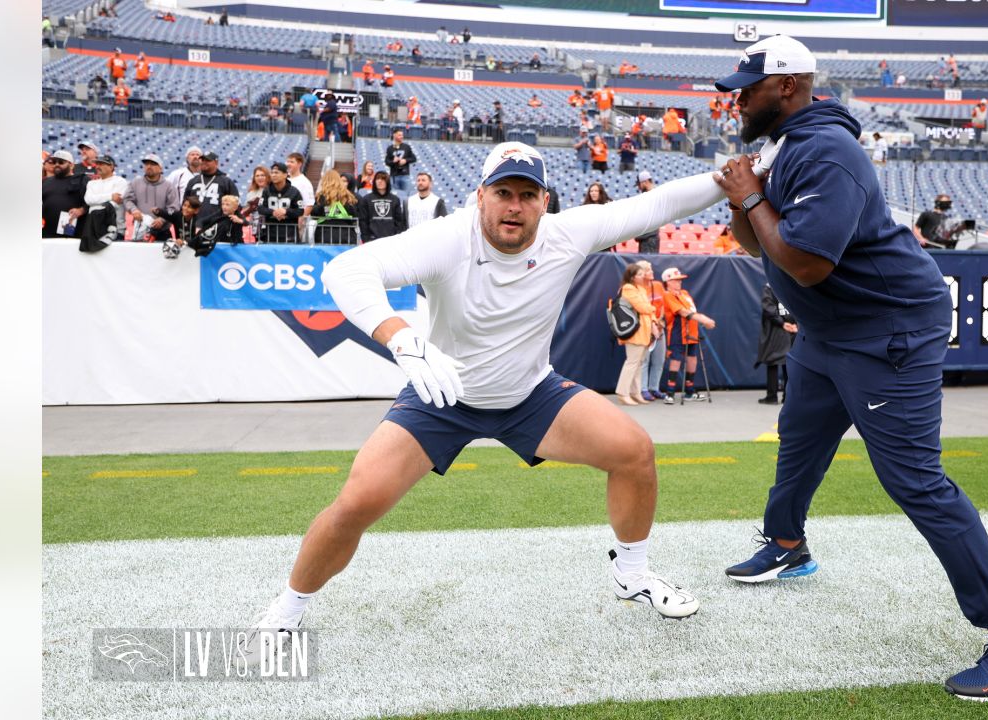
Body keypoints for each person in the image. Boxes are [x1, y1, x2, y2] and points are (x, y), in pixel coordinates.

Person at [238, 142, 725, 664]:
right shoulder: (451, 236)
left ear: (544, 202)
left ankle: (632, 576)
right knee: (357, 502)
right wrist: (402, 337)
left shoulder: (567, 232)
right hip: (443, 396)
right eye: (503, 193)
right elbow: (345, 271)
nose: (513, 206)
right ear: (481, 196)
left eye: (527, 195)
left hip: (528, 393)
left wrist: (734, 177)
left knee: (634, 450)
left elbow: (657, 206)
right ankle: (286, 610)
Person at [711, 34, 988, 702]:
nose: (733, 98)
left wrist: (753, 196)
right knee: (801, 437)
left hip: (886, 329)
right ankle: (787, 543)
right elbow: (752, 236)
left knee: (915, 482)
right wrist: (744, 200)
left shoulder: (826, 151)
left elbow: (809, 261)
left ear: (785, 87)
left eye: (744, 87)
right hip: (830, 328)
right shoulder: (788, 144)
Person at [660, 268, 714, 403]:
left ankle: (689, 392)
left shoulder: (685, 293)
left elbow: (691, 310)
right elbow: (682, 312)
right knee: (676, 360)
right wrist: (703, 319)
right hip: (678, 332)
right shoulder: (667, 295)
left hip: (692, 331)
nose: (679, 282)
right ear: (668, 282)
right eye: (675, 280)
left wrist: (700, 318)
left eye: (680, 280)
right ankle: (670, 393)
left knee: (692, 359)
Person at [613, 263, 657, 406]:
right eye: (639, 274)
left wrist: (651, 312)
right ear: (631, 277)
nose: (642, 276)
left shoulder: (641, 289)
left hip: (644, 332)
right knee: (632, 363)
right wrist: (653, 308)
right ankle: (622, 393)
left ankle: (635, 393)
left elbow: (646, 309)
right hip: (634, 332)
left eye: (642, 273)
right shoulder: (628, 288)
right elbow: (643, 307)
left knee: (638, 365)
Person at [123, 153, 180, 243]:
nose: (149, 166)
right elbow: (127, 200)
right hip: (140, 229)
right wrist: (134, 210)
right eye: (146, 164)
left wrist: (162, 219)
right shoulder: (135, 182)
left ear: (160, 168)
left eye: (153, 164)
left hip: (162, 231)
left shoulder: (169, 186)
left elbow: (174, 207)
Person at [756, 284, 796, 405]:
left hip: (777, 329)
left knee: (773, 361)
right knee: (787, 362)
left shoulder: (770, 286)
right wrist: (795, 324)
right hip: (791, 328)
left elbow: (768, 308)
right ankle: (787, 397)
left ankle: (772, 396)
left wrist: (783, 323)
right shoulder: (792, 284)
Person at [79, 155, 127, 252]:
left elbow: (115, 203)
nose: (97, 166)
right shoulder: (91, 183)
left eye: (101, 164)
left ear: (111, 167)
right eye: (97, 164)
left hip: (115, 229)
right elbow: (88, 200)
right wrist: (110, 196)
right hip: (93, 229)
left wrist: (98, 200)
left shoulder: (121, 181)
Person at [635, 259, 667, 402]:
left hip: (659, 328)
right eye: (648, 270)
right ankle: (643, 389)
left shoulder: (658, 285)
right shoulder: (636, 289)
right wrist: (651, 324)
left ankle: (654, 388)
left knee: (659, 360)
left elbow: (662, 306)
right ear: (641, 273)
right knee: (644, 361)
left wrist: (660, 322)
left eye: (651, 269)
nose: (652, 272)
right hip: (644, 329)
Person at [183, 151, 238, 225]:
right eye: (202, 160)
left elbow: (235, 204)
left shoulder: (226, 182)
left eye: (208, 160)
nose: (204, 162)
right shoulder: (193, 181)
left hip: (217, 225)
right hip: (193, 224)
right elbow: (185, 202)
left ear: (216, 163)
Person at [42, 150, 86, 238]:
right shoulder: (45, 181)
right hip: (46, 232)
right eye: (54, 162)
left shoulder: (82, 180)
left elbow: (91, 202)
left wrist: (81, 210)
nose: (57, 164)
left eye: (61, 162)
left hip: (71, 231)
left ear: (71, 165)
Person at [310, 169, 360, 245]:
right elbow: (354, 215)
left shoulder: (321, 196)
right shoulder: (348, 196)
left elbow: (314, 214)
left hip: (324, 234)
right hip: (346, 234)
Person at [259, 162, 304, 242]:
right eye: (272, 173)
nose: (273, 175)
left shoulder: (294, 191)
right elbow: (260, 208)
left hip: (290, 233)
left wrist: (286, 211)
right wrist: (273, 212)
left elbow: (300, 211)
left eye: (276, 172)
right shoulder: (266, 191)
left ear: (285, 175)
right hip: (270, 233)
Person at [358, 170, 406, 242]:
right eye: (377, 179)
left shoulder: (395, 199)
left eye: (383, 179)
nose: (380, 181)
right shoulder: (366, 199)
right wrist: (366, 238)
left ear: (387, 182)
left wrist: (396, 237)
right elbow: (363, 221)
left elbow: (399, 221)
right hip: (372, 239)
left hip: (391, 240)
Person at [633, 171, 659, 254]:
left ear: (645, 182)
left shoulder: (655, 195)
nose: (639, 187)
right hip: (646, 236)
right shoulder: (648, 195)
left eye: (639, 184)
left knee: (646, 263)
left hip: (650, 237)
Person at [385, 130, 417, 194]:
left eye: (402, 135)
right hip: (394, 176)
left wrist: (405, 160)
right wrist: (393, 161)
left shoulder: (407, 147)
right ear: (394, 135)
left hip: (405, 176)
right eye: (399, 135)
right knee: (395, 196)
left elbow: (414, 158)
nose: (402, 136)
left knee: (406, 196)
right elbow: (387, 162)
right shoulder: (390, 148)